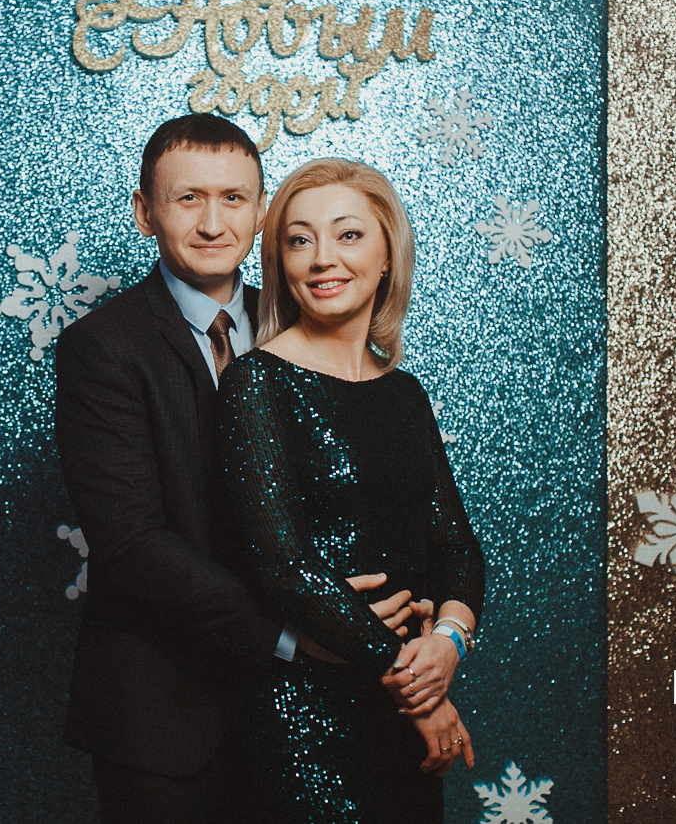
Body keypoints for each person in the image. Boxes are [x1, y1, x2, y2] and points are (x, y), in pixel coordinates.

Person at [54, 117, 428, 823]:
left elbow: (362, 497)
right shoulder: (101, 348)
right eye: (188, 198)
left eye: (232, 198)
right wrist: (294, 634)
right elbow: (132, 545)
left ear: (261, 214)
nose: (211, 222)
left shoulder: (302, 324)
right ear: (145, 212)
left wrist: (416, 620)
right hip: (166, 716)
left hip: (305, 714)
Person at [216, 158, 486, 823]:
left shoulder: (404, 393)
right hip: (305, 719)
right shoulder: (256, 383)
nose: (321, 259)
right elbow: (285, 567)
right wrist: (417, 690)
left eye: (347, 235)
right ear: (280, 262)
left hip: (399, 714)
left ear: (388, 254)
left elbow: (455, 547)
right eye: (299, 240)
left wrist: (448, 643)